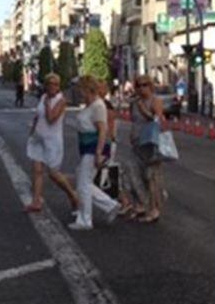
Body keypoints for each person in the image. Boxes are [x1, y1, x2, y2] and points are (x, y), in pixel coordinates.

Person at [70, 76, 121, 230]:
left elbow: (103, 129)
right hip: (87, 147)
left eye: (80, 89)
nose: (78, 92)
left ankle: (85, 220)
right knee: (83, 181)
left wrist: (99, 152)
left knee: (83, 183)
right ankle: (110, 205)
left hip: (93, 148)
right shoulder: (91, 105)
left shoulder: (98, 106)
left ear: (87, 89)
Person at [24, 73, 79, 213]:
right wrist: (32, 131)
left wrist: (48, 104)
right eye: (50, 84)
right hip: (38, 138)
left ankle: (73, 195)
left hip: (52, 140)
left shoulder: (61, 101)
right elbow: (38, 115)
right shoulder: (43, 97)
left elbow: (51, 119)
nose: (53, 87)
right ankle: (36, 201)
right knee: (37, 171)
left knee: (53, 173)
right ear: (46, 85)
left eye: (56, 84)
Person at [129, 74, 166, 224]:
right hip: (137, 142)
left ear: (150, 86)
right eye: (138, 85)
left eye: (145, 85)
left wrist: (143, 109)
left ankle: (154, 209)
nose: (141, 88)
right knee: (134, 174)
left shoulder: (155, 101)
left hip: (150, 143)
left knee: (151, 177)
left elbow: (156, 120)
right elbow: (134, 121)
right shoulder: (134, 103)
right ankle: (141, 205)